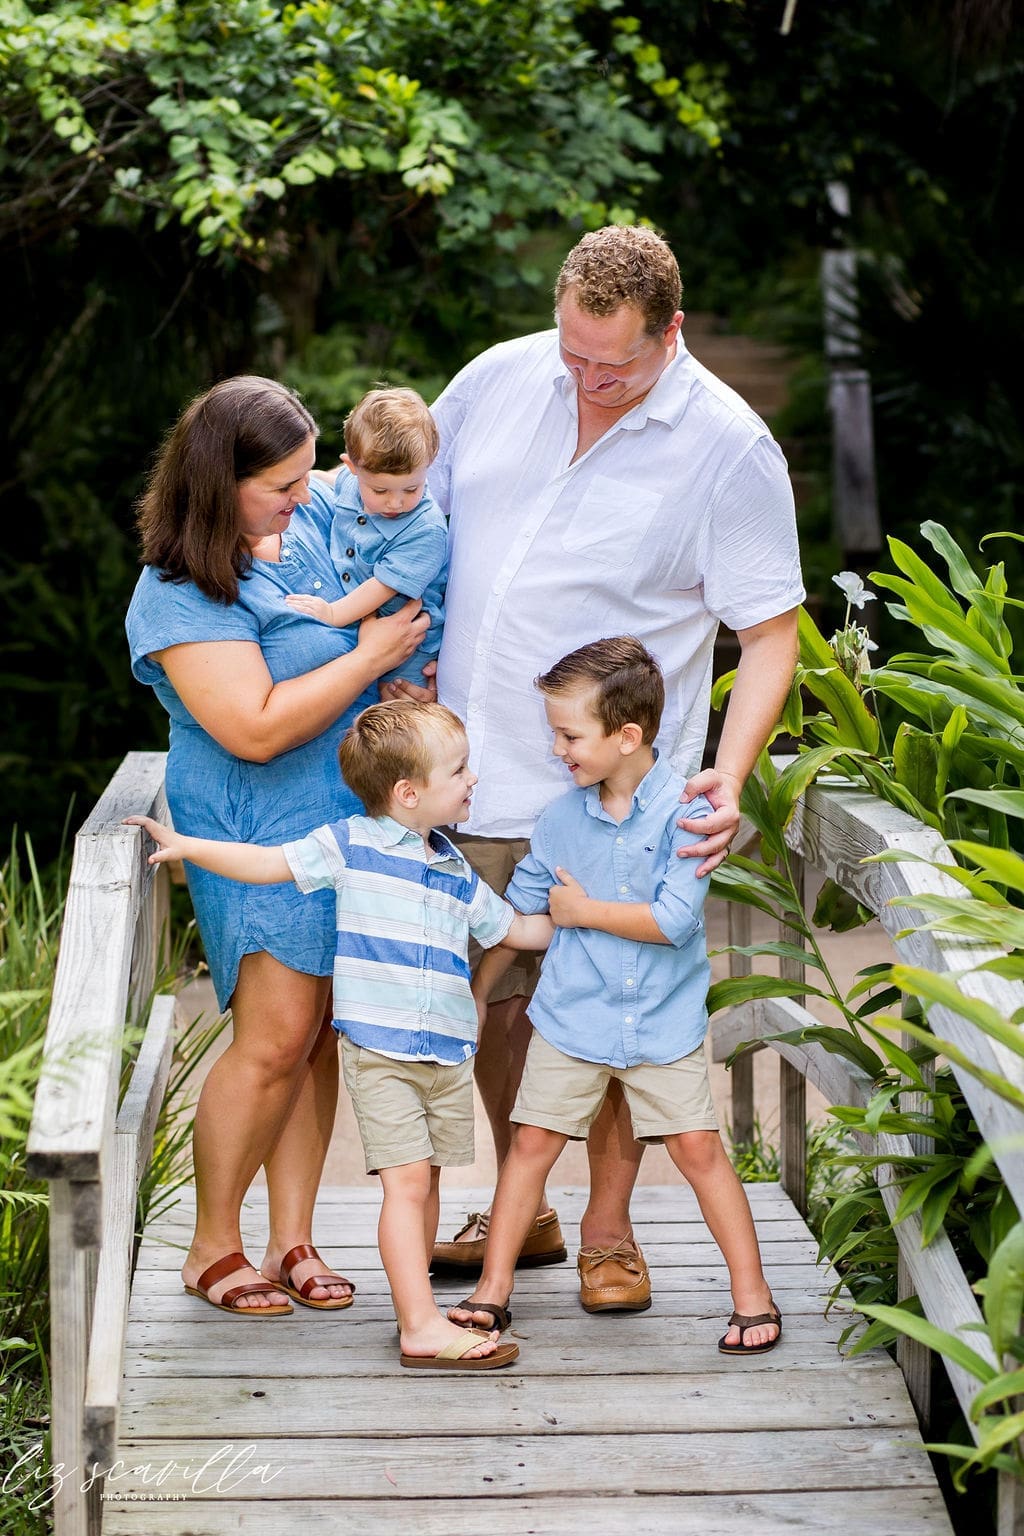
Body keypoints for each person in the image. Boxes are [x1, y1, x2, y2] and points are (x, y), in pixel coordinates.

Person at [390, 224, 803, 1323]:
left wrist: (722, 772)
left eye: (610, 363)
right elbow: (411, 522)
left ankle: (612, 1234)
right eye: (572, 352)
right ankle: (517, 1209)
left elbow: (769, 635)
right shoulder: (496, 378)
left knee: (606, 1018)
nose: (585, 378)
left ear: (671, 329)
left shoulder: (727, 448)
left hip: (609, 794)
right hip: (463, 774)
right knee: (479, 1015)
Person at [125, 376, 429, 1318]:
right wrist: (368, 661)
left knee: (322, 1037)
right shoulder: (177, 592)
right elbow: (253, 726)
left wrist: (386, 698)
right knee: (272, 1039)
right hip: (253, 824)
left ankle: (291, 1236)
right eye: (283, 486)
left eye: (307, 481)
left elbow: (327, 666)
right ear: (220, 482)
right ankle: (211, 1242)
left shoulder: (291, 546)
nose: (305, 501)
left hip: (339, 820)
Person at [127, 699, 552, 1369]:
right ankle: (419, 1325)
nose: (474, 780)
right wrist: (188, 847)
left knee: (428, 1182)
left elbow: (516, 931)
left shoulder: (452, 868)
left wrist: (590, 913)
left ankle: (423, 1312)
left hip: (443, 1053)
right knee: (406, 1182)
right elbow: (267, 864)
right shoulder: (349, 845)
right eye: (461, 769)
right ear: (409, 793)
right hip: (381, 1053)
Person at [448, 638, 781, 1354]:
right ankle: (492, 1293)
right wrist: (479, 990)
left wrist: (583, 912)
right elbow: (528, 917)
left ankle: (753, 1297)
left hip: (663, 1021)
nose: (558, 748)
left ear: (627, 736)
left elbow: (671, 921)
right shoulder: (560, 820)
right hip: (573, 1017)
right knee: (530, 1143)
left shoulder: (687, 811)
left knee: (698, 1149)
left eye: (569, 735)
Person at [285, 386, 447, 687]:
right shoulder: (349, 481)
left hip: (410, 646)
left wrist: (332, 613)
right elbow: (331, 481)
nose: (396, 503)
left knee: (399, 721)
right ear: (353, 467)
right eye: (380, 491)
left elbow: (381, 587)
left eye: (412, 489)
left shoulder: (425, 529)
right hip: (362, 628)